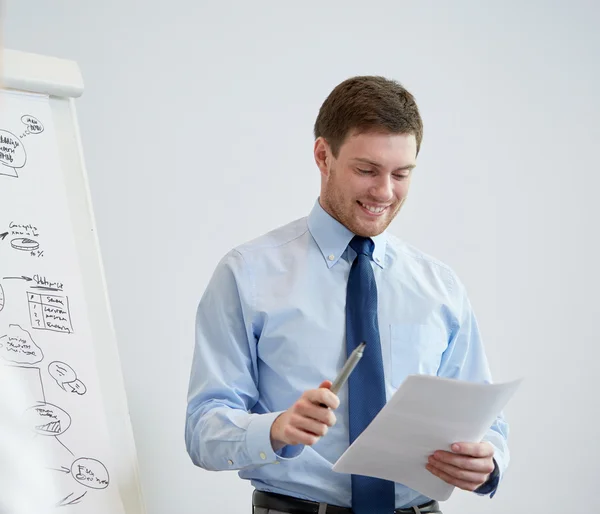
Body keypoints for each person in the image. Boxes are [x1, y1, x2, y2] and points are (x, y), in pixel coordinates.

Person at [185, 75, 508, 514]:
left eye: (402, 174)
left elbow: (487, 424)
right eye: (367, 170)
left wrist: (487, 461)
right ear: (323, 156)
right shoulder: (247, 274)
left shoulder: (440, 286)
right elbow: (202, 430)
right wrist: (277, 428)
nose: (385, 192)